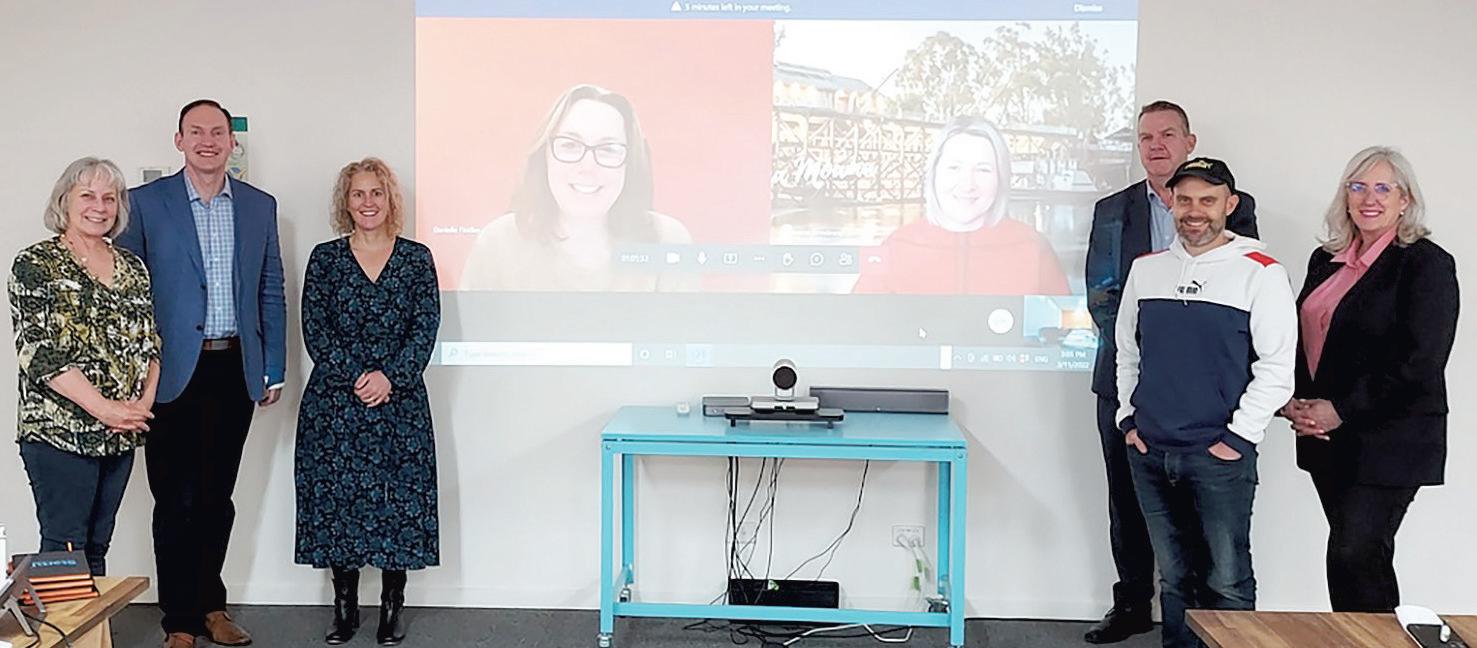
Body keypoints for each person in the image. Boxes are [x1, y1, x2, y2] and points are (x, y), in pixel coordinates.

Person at [1081, 100, 1259, 644]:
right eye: (1146, 137)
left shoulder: (1233, 204)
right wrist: (1152, 359)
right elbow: (1102, 294)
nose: (1155, 145)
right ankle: (1133, 603)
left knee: (1208, 511)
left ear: (1189, 142)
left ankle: (1205, 617)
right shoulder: (1112, 210)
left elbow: (1241, 286)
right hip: (1127, 384)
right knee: (1128, 500)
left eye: (1167, 135)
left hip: (1208, 390)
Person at [116, 99, 287, 648]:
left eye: (218, 132)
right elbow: (126, 294)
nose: (208, 141)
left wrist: (273, 365)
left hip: (234, 368)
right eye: (197, 132)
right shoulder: (144, 203)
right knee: (174, 501)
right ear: (179, 140)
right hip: (168, 373)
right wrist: (133, 373)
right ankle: (180, 620)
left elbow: (270, 287)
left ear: (232, 142)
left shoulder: (259, 206)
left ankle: (213, 607)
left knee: (217, 498)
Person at [1115, 158, 1296, 648]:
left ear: (1229, 205)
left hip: (1219, 457)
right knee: (1175, 580)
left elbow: (1278, 368)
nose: (1195, 211)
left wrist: (1237, 438)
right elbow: (1127, 350)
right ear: (1171, 203)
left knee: (1227, 582)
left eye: (1208, 200)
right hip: (1151, 453)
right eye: (1185, 200)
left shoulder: (1261, 273)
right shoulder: (1146, 269)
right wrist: (1128, 419)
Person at [1282, 146, 1458, 613]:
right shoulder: (1325, 259)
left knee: (1355, 553)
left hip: (1391, 438)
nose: (1369, 198)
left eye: (1383, 188)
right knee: (1355, 560)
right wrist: (1293, 401)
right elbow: (1305, 339)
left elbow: (1421, 361)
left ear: (1405, 200)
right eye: (1358, 187)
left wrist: (1340, 409)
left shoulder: (1425, 263)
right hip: (1328, 439)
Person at [296, 158, 441, 646]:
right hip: (337, 404)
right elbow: (315, 329)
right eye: (358, 193)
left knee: (398, 501)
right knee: (339, 503)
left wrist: (389, 377)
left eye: (376, 192)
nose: (368, 202)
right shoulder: (325, 259)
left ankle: (392, 604)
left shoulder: (417, 259)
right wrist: (359, 376)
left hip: (400, 404)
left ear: (390, 199)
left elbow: (425, 328)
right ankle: (345, 606)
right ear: (346, 201)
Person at [8, 157, 159, 576]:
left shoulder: (132, 267)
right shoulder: (36, 263)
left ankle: (94, 622)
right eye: (88, 195)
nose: (100, 206)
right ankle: (62, 623)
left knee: (96, 547)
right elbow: (39, 352)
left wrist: (140, 407)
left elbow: (151, 344)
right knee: (65, 547)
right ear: (65, 201)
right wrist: (105, 409)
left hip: (120, 433)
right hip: (58, 433)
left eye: (109, 198)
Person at [459, 84, 692, 291]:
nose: (587, 167)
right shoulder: (497, 243)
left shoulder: (667, 240)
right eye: (570, 145)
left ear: (630, 165)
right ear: (544, 156)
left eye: (608, 149)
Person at [852, 115, 1069, 295]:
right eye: (954, 168)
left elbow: (1067, 328)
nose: (967, 185)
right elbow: (856, 325)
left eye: (983, 170)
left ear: (1001, 178)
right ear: (934, 173)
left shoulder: (1033, 248)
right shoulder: (894, 247)